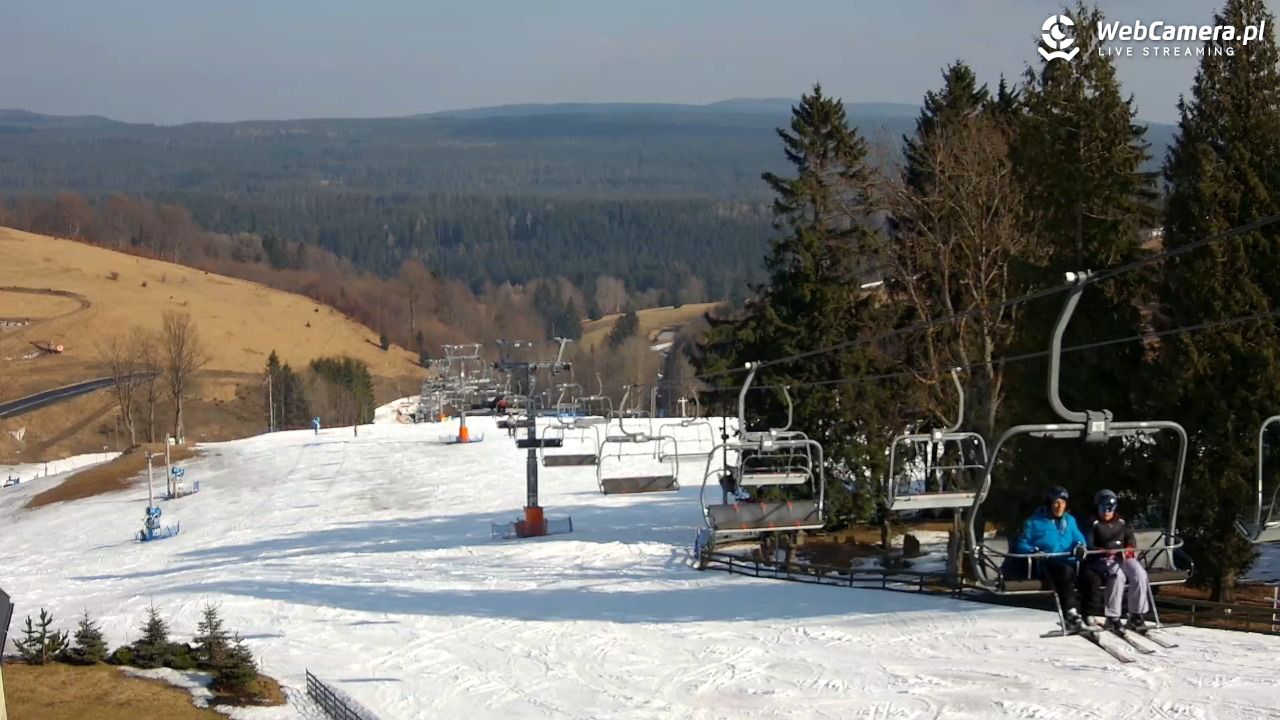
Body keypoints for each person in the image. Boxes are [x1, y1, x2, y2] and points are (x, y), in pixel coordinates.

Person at [1013, 485, 1090, 632]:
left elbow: (1079, 538)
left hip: (1070, 561)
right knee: (1064, 572)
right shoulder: (1034, 522)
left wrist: (1080, 546)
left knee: (1090, 575)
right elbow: (1022, 544)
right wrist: (1034, 551)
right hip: (1047, 563)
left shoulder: (1070, 520)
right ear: (1049, 503)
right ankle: (1071, 613)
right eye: (1056, 502)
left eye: (1062, 502)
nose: (1059, 506)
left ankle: (1089, 614)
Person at [1084, 489, 1151, 631]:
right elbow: (1088, 545)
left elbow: (1130, 538)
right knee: (1117, 576)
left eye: (1110, 508)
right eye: (1103, 508)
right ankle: (1113, 616)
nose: (1107, 512)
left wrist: (1129, 548)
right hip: (1103, 559)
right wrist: (1102, 551)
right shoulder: (1093, 523)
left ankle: (1136, 614)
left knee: (1139, 574)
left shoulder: (1120, 522)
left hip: (1122, 556)